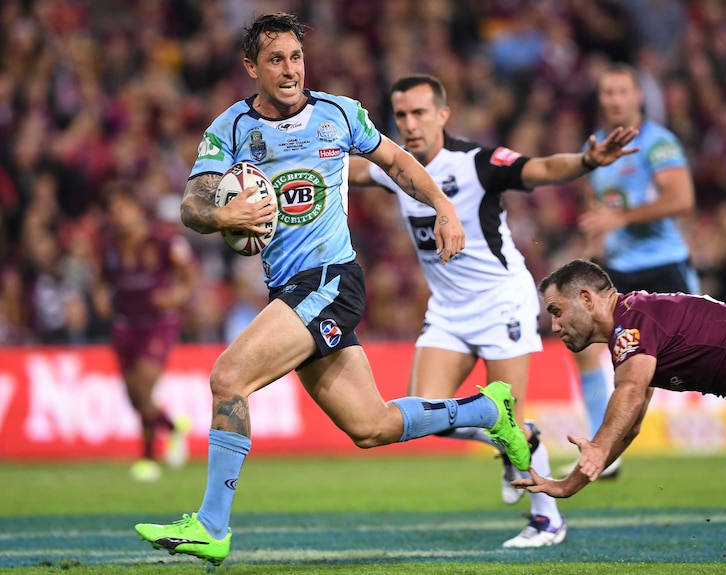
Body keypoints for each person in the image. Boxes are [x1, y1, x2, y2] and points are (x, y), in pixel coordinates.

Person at [134, 13, 530, 566]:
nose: (290, 69)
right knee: (371, 426)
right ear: (252, 68)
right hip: (289, 289)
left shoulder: (340, 114)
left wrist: (443, 207)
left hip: (330, 279)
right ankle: (489, 412)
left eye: (296, 57)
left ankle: (211, 526)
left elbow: (396, 162)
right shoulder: (229, 128)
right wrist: (225, 212)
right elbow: (192, 205)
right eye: (275, 59)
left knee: (228, 377)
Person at [348, 73, 638, 547]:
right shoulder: (393, 167)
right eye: (400, 115)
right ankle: (513, 438)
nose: (409, 123)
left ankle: (548, 519)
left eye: (419, 112)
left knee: (511, 411)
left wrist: (587, 161)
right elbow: (347, 169)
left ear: (442, 114)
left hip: (501, 301)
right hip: (447, 311)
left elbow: (539, 168)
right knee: (427, 414)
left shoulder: (474, 162)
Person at [514, 258, 726, 552]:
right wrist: (568, 484)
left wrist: (597, 446)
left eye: (557, 311)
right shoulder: (638, 320)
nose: (554, 325)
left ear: (587, 299)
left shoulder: (632, 325)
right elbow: (631, 423)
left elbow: (631, 391)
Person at [570, 63, 699, 478]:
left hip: (663, 271)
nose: (614, 100)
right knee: (587, 347)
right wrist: (589, 255)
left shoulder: (659, 145)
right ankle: (602, 452)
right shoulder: (597, 150)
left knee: (660, 369)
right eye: (607, 93)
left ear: (638, 96)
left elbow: (681, 199)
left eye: (622, 91)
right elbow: (598, 214)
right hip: (618, 272)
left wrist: (621, 219)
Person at [96, 189, 196, 482]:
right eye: (114, 210)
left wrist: (176, 295)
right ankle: (173, 427)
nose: (119, 215)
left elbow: (190, 276)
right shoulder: (109, 245)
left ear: (138, 209)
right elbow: (103, 279)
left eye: (124, 207)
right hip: (125, 324)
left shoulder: (164, 240)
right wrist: (101, 296)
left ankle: (148, 456)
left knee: (143, 387)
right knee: (133, 397)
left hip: (158, 323)